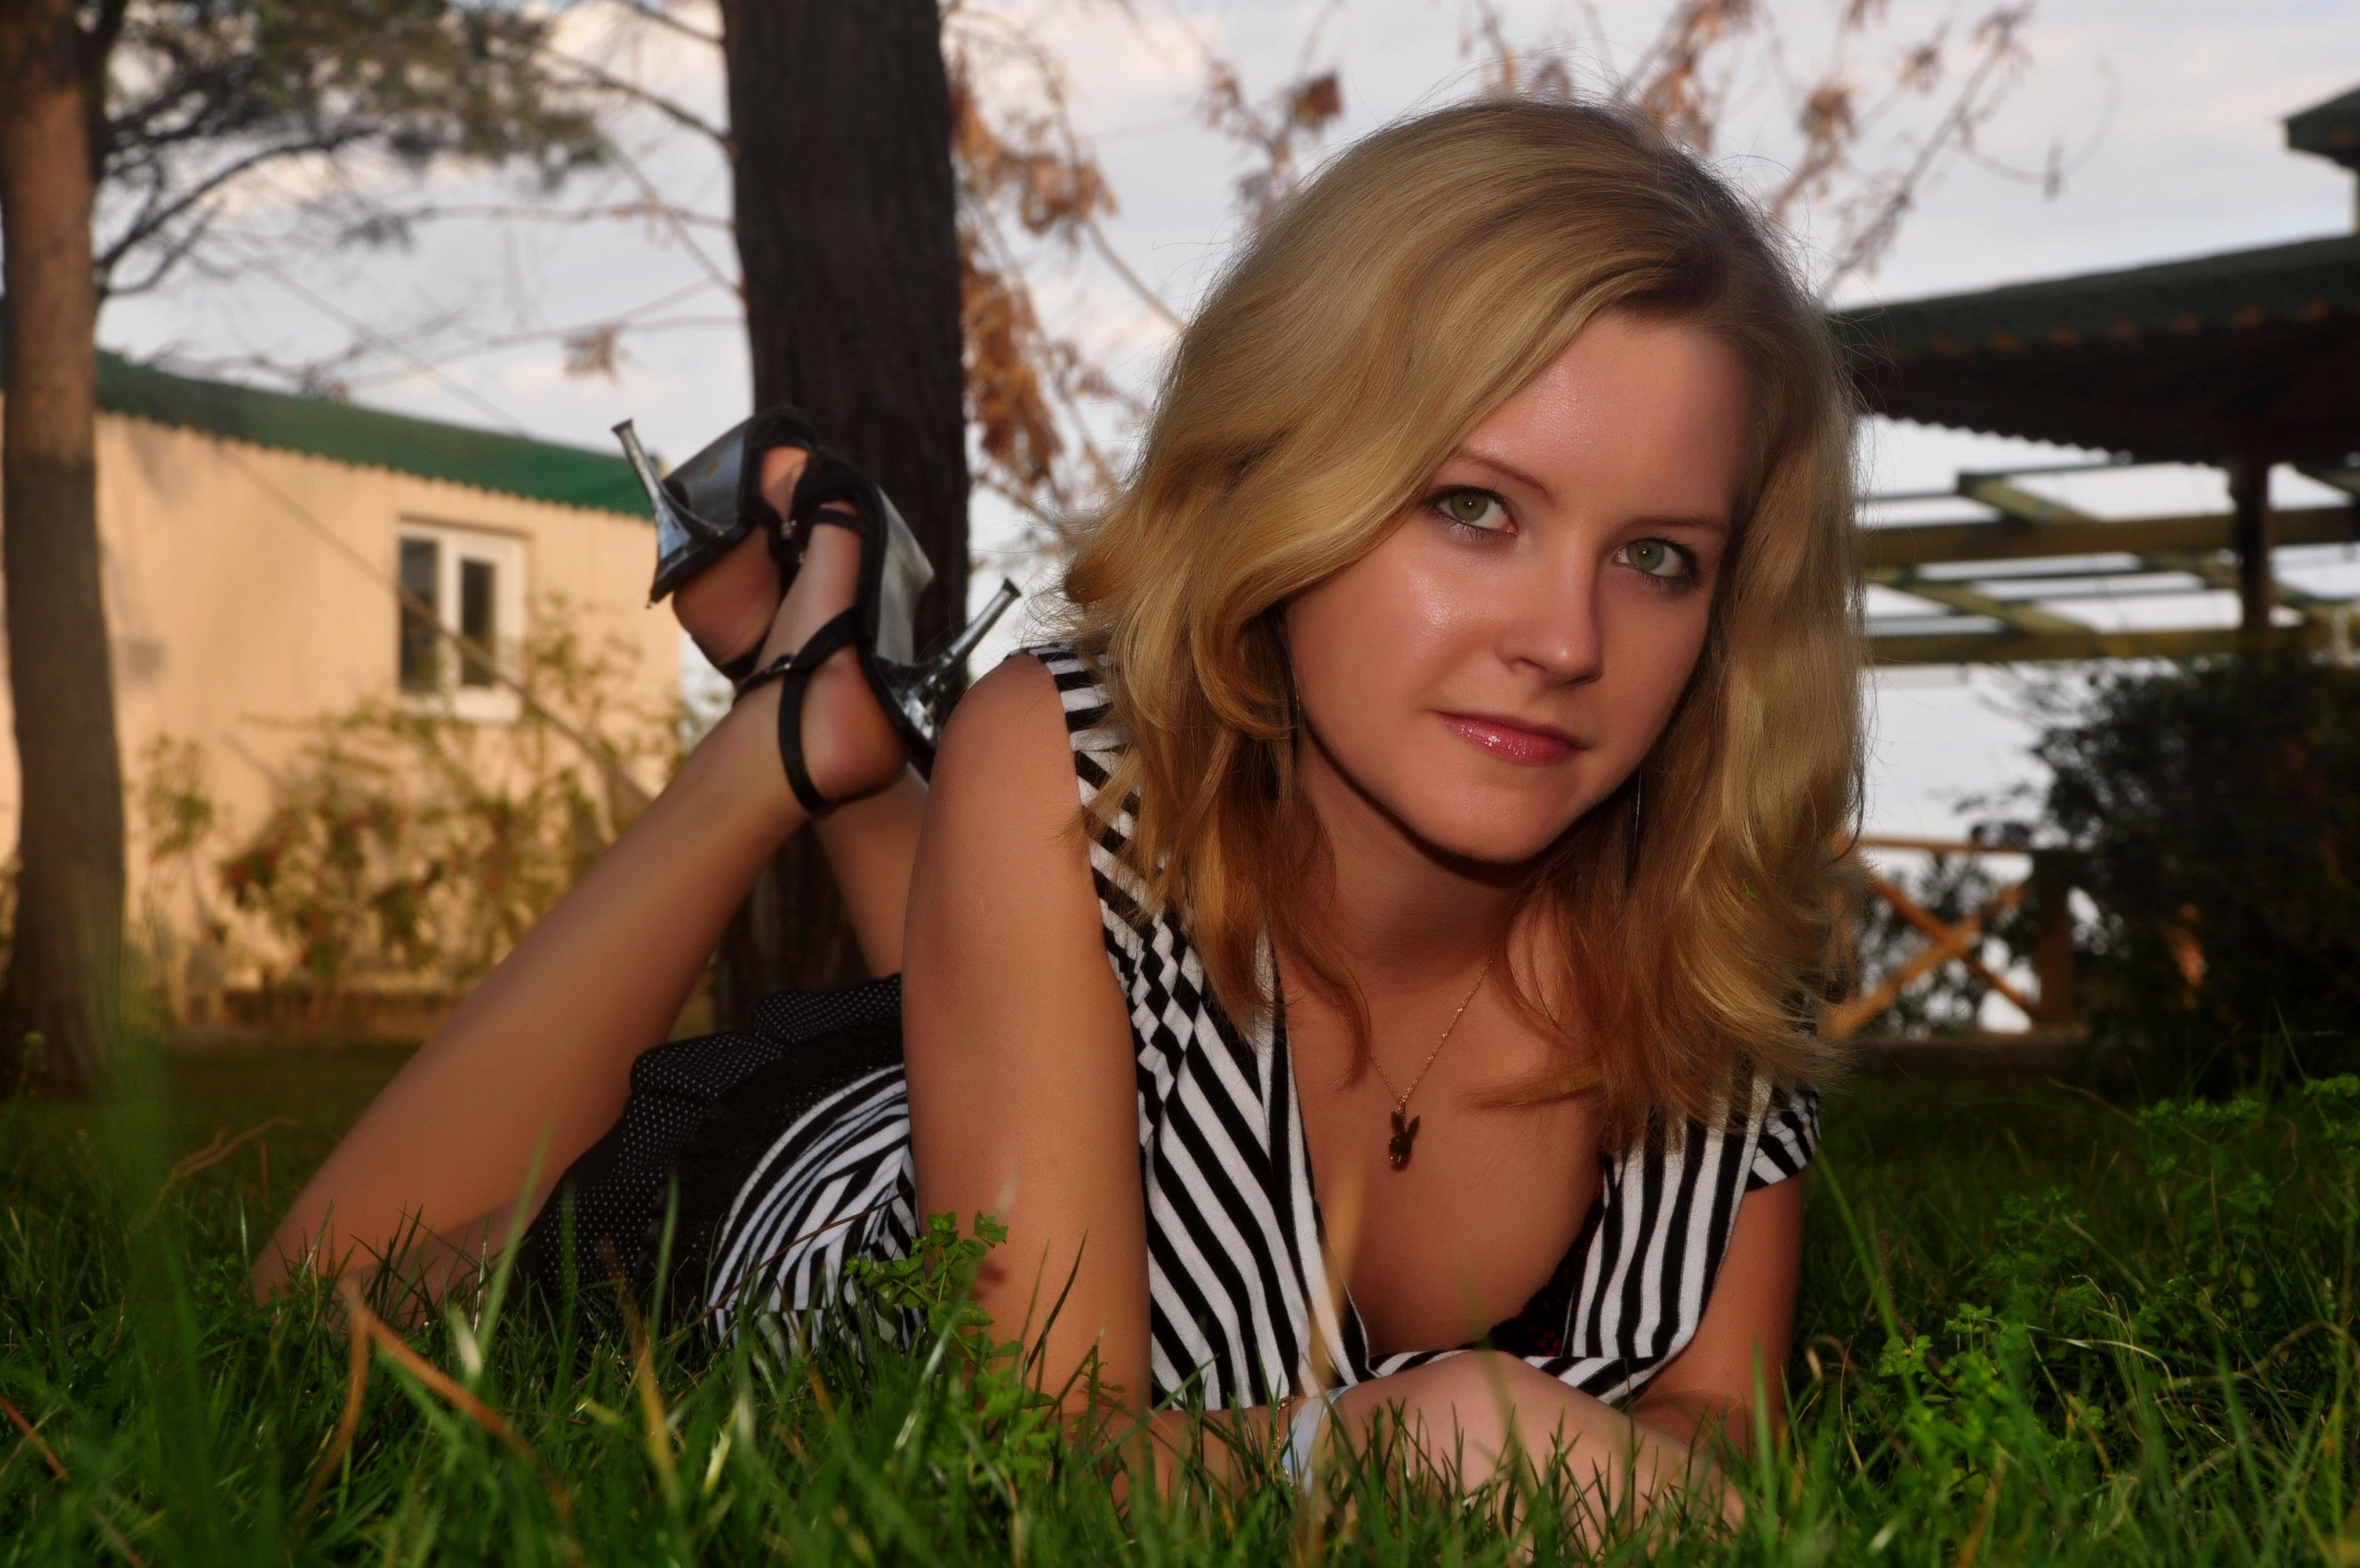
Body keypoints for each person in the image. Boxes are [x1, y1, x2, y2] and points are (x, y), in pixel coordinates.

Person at [255, 98, 1859, 1516]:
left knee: (1048, 912)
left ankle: (867, 745)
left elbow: (1721, 1425)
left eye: (1659, 558)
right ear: (1280, 474)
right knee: (323, 1301)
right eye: (1474, 507)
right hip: (840, 1209)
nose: (1568, 641)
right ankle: (792, 737)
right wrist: (1428, 1440)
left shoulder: (1722, 904)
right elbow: (1037, 1469)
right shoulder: (1069, 757)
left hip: (1073, 992)